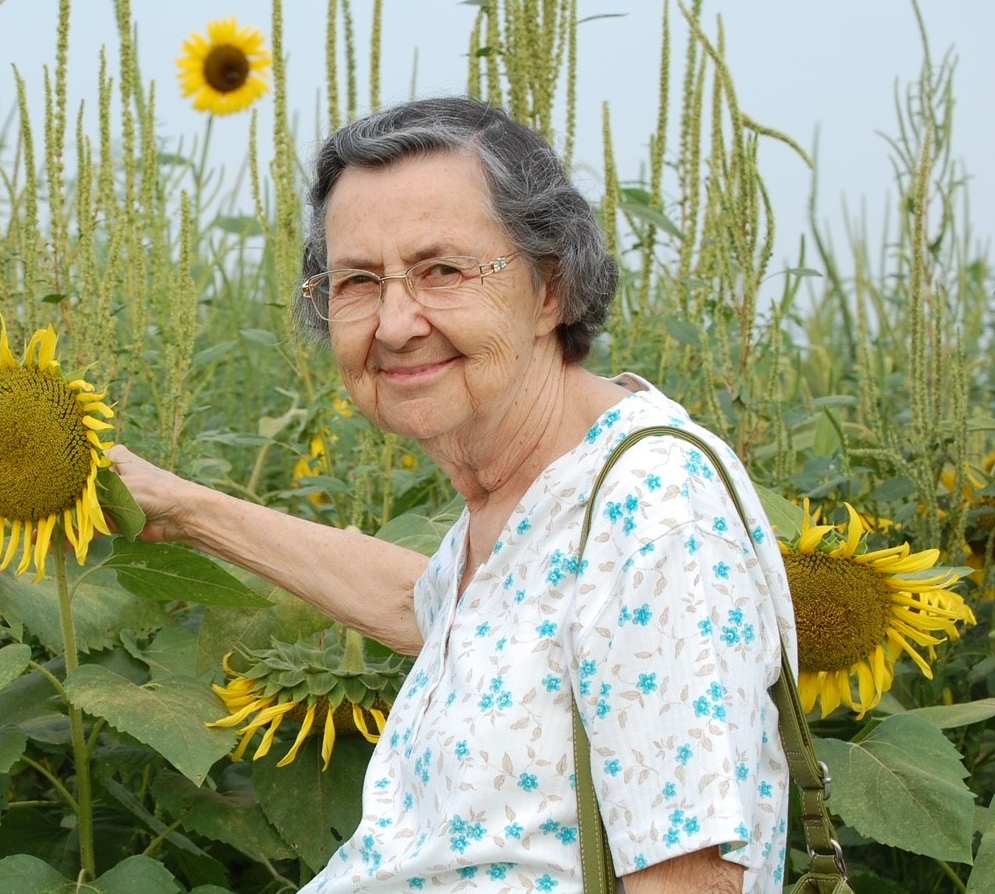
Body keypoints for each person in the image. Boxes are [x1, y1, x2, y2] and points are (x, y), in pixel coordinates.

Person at [110, 97, 796, 893]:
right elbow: (442, 611)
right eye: (358, 281)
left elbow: (694, 881)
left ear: (550, 288)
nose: (396, 324)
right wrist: (183, 510)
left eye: (442, 272)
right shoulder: (541, 492)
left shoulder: (653, 512)